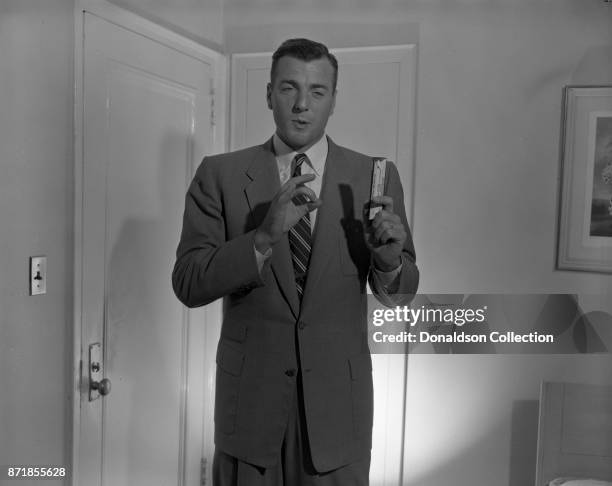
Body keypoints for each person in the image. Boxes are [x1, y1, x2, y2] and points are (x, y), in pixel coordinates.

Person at [172, 38, 419, 486]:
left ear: (333, 100)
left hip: (337, 417)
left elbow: (399, 298)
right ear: (269, 94)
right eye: (289, 88)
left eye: (317, 92)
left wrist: (388, 261)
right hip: (248, 414)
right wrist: (262, 237)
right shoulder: (220, 175)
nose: (302, 104)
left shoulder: (374, 177)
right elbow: (189, 282)